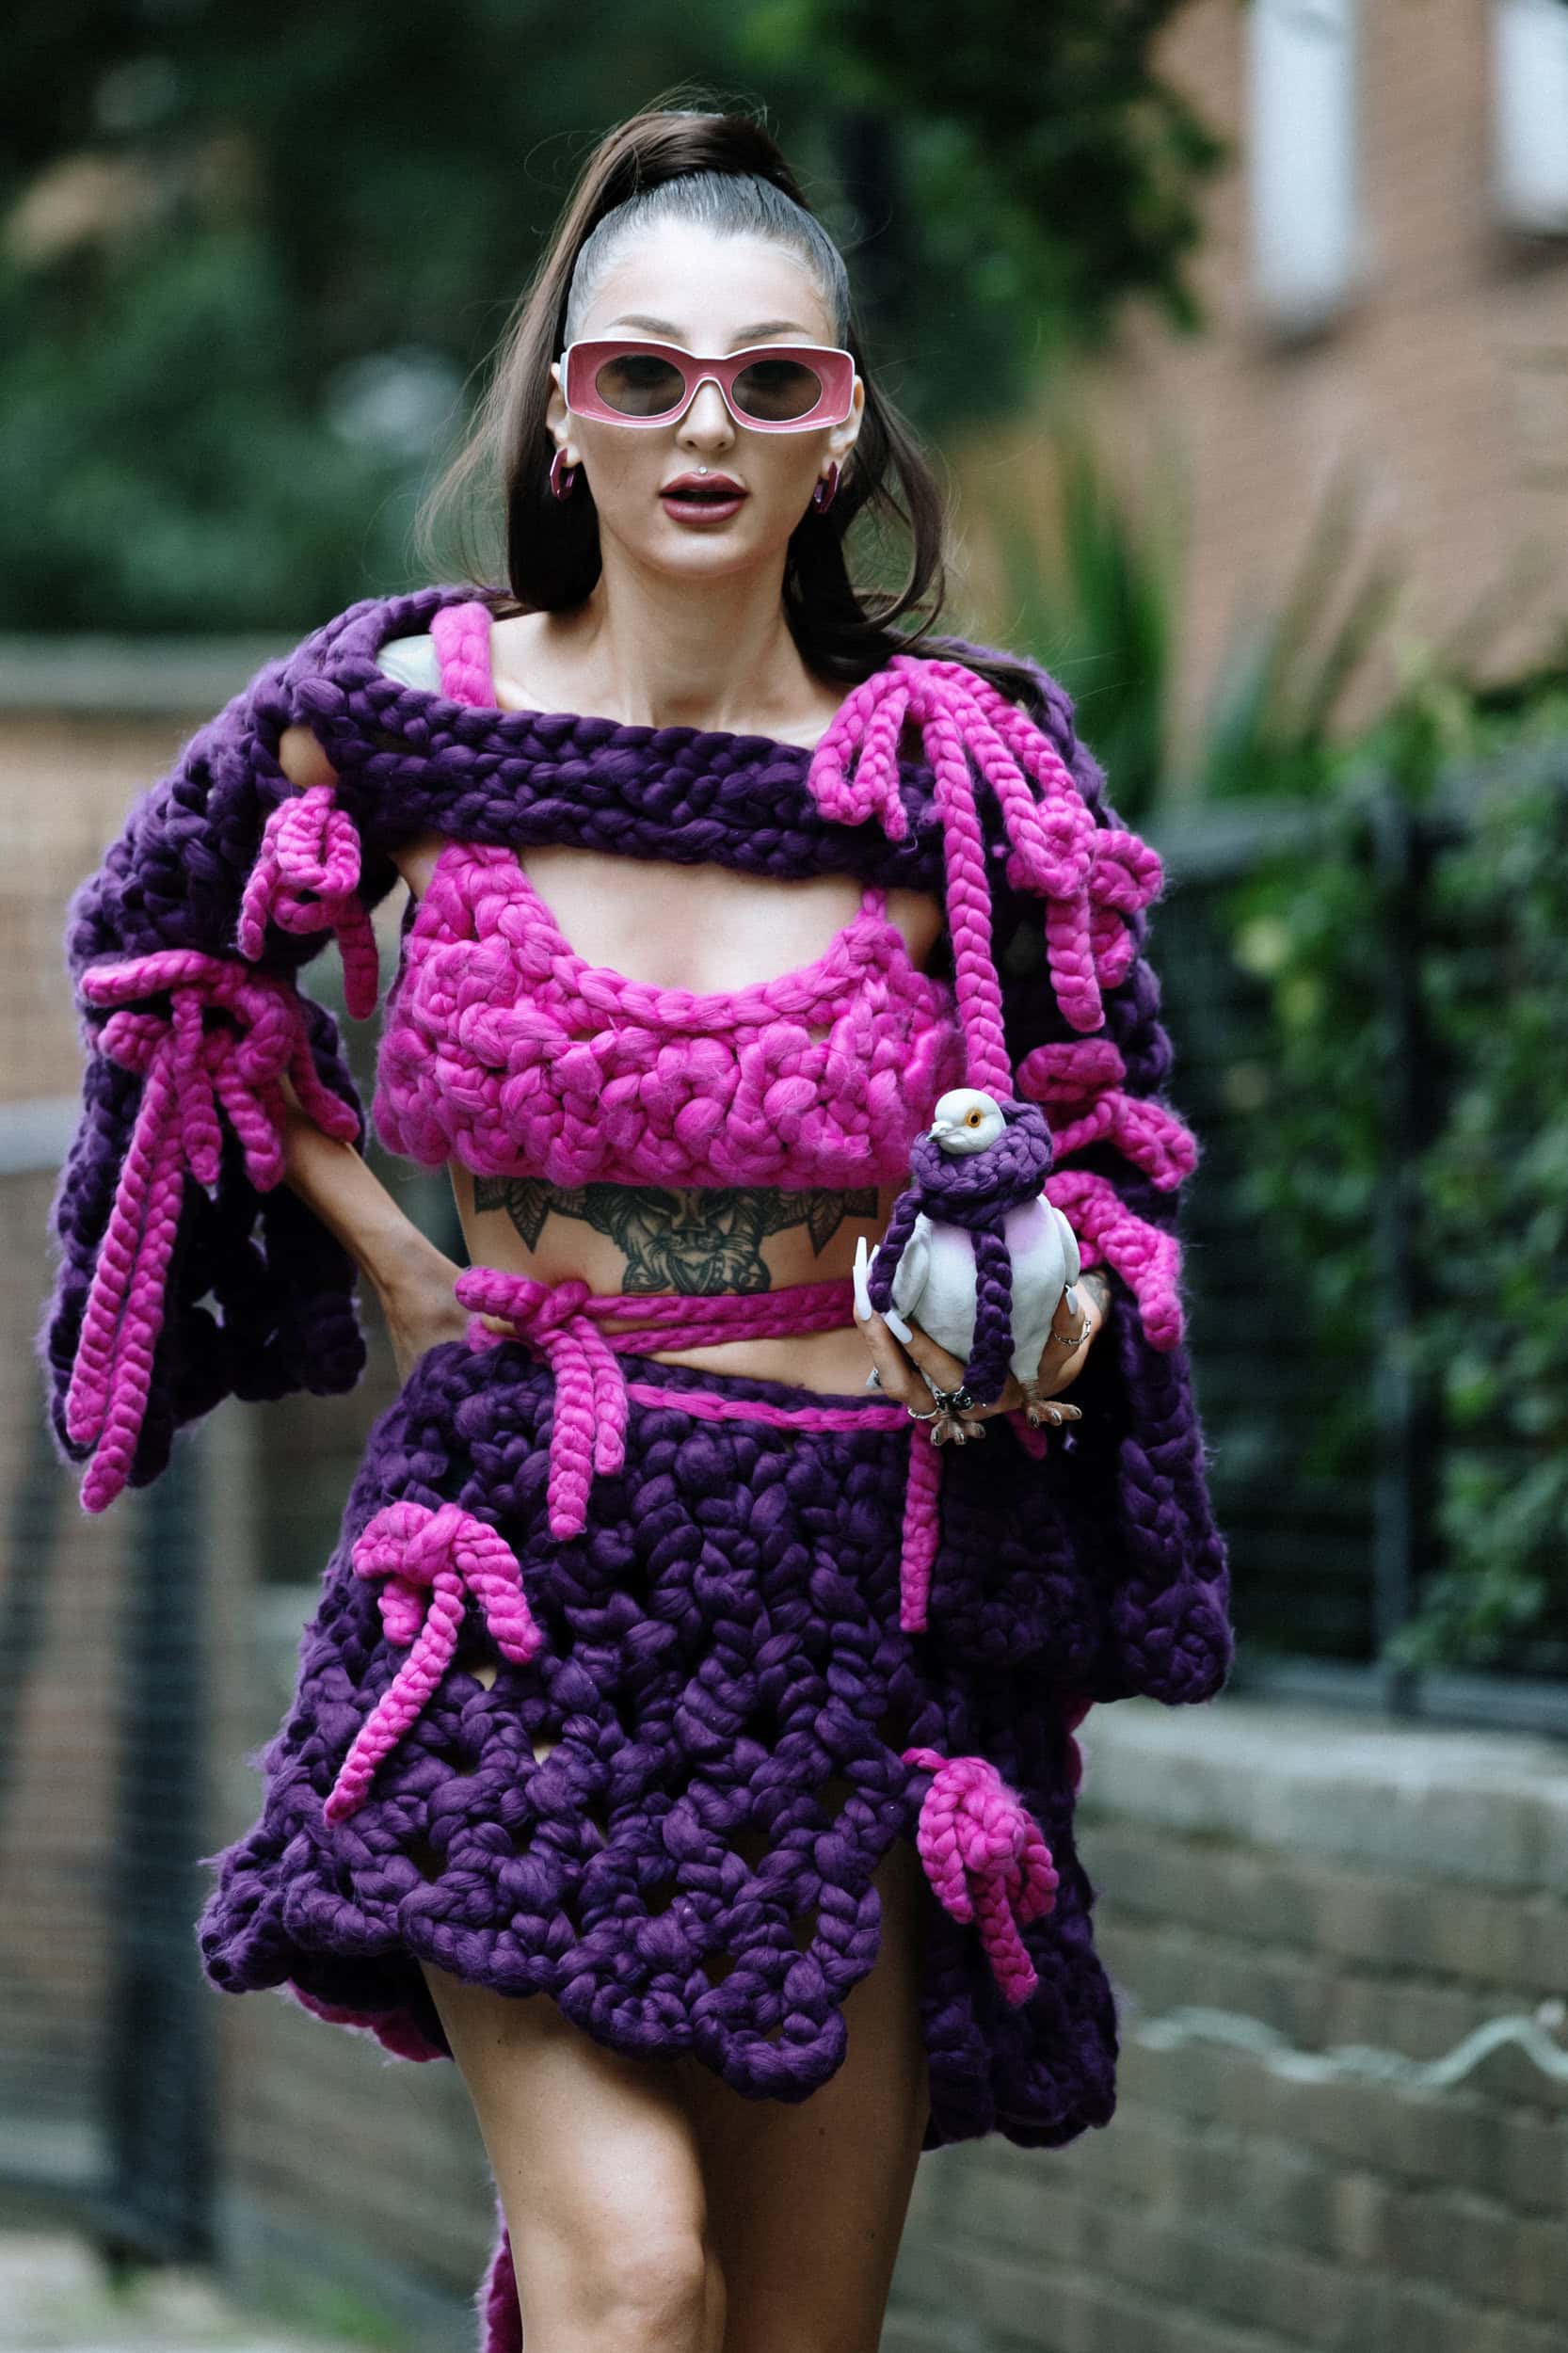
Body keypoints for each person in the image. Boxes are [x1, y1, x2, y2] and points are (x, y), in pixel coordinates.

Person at [41, 103, 1233, 2353]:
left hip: (854, 1586)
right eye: (645, 375)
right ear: (565, 414)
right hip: (521, 1564)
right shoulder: (396, 716)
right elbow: (170, 972)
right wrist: (393, 1263)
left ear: (836, 425)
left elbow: (1105, 1142)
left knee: (787, 2324)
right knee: (633, 2283)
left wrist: (1058, 1304)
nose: (705, 426)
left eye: (768, 380)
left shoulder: (954, 774)